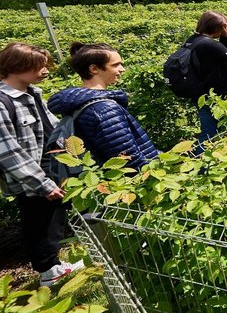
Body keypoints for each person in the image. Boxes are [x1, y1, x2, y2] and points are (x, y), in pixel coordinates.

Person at [0, 42, 84, 287]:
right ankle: (48, 271)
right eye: (38, 66)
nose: (46, 71)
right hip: (30, 174)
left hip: (49, 164)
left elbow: (51, 125)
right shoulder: (3, 102)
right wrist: (41, 183)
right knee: (37, 218)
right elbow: (7, 151)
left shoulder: (32, 92)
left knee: (53, 216)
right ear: (16, 67)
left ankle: (55, 264)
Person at [47, 43, 159, 170]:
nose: (122, 69)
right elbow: (126, 159)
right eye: (115, 65)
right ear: (94, 69)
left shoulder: (82, 102)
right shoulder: (103, 108)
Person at [184, 11, 227, 152]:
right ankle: (203, 167)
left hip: (200, 94)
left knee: (209, 131)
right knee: (214, 134)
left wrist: (223, 39)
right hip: (216, 97)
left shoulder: (192, 40)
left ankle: (209, 163)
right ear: (217, 28)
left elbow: (220, 56)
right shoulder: (210, 45)